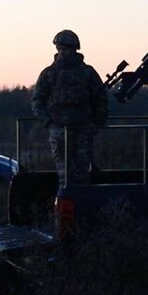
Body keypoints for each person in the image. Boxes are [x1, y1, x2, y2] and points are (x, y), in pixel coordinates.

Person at [31, 29, 108, 189]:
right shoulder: (49, 74)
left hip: (82, 129)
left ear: (74, 49)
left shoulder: (87, 73)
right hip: (59, 130)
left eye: (65, 49)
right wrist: (48, 122)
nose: (62, 52)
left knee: (83, 173)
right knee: (65, 176)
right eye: (59, 49)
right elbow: (38, 101)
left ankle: (84, 209)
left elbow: (100, 98)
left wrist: (97, 123)